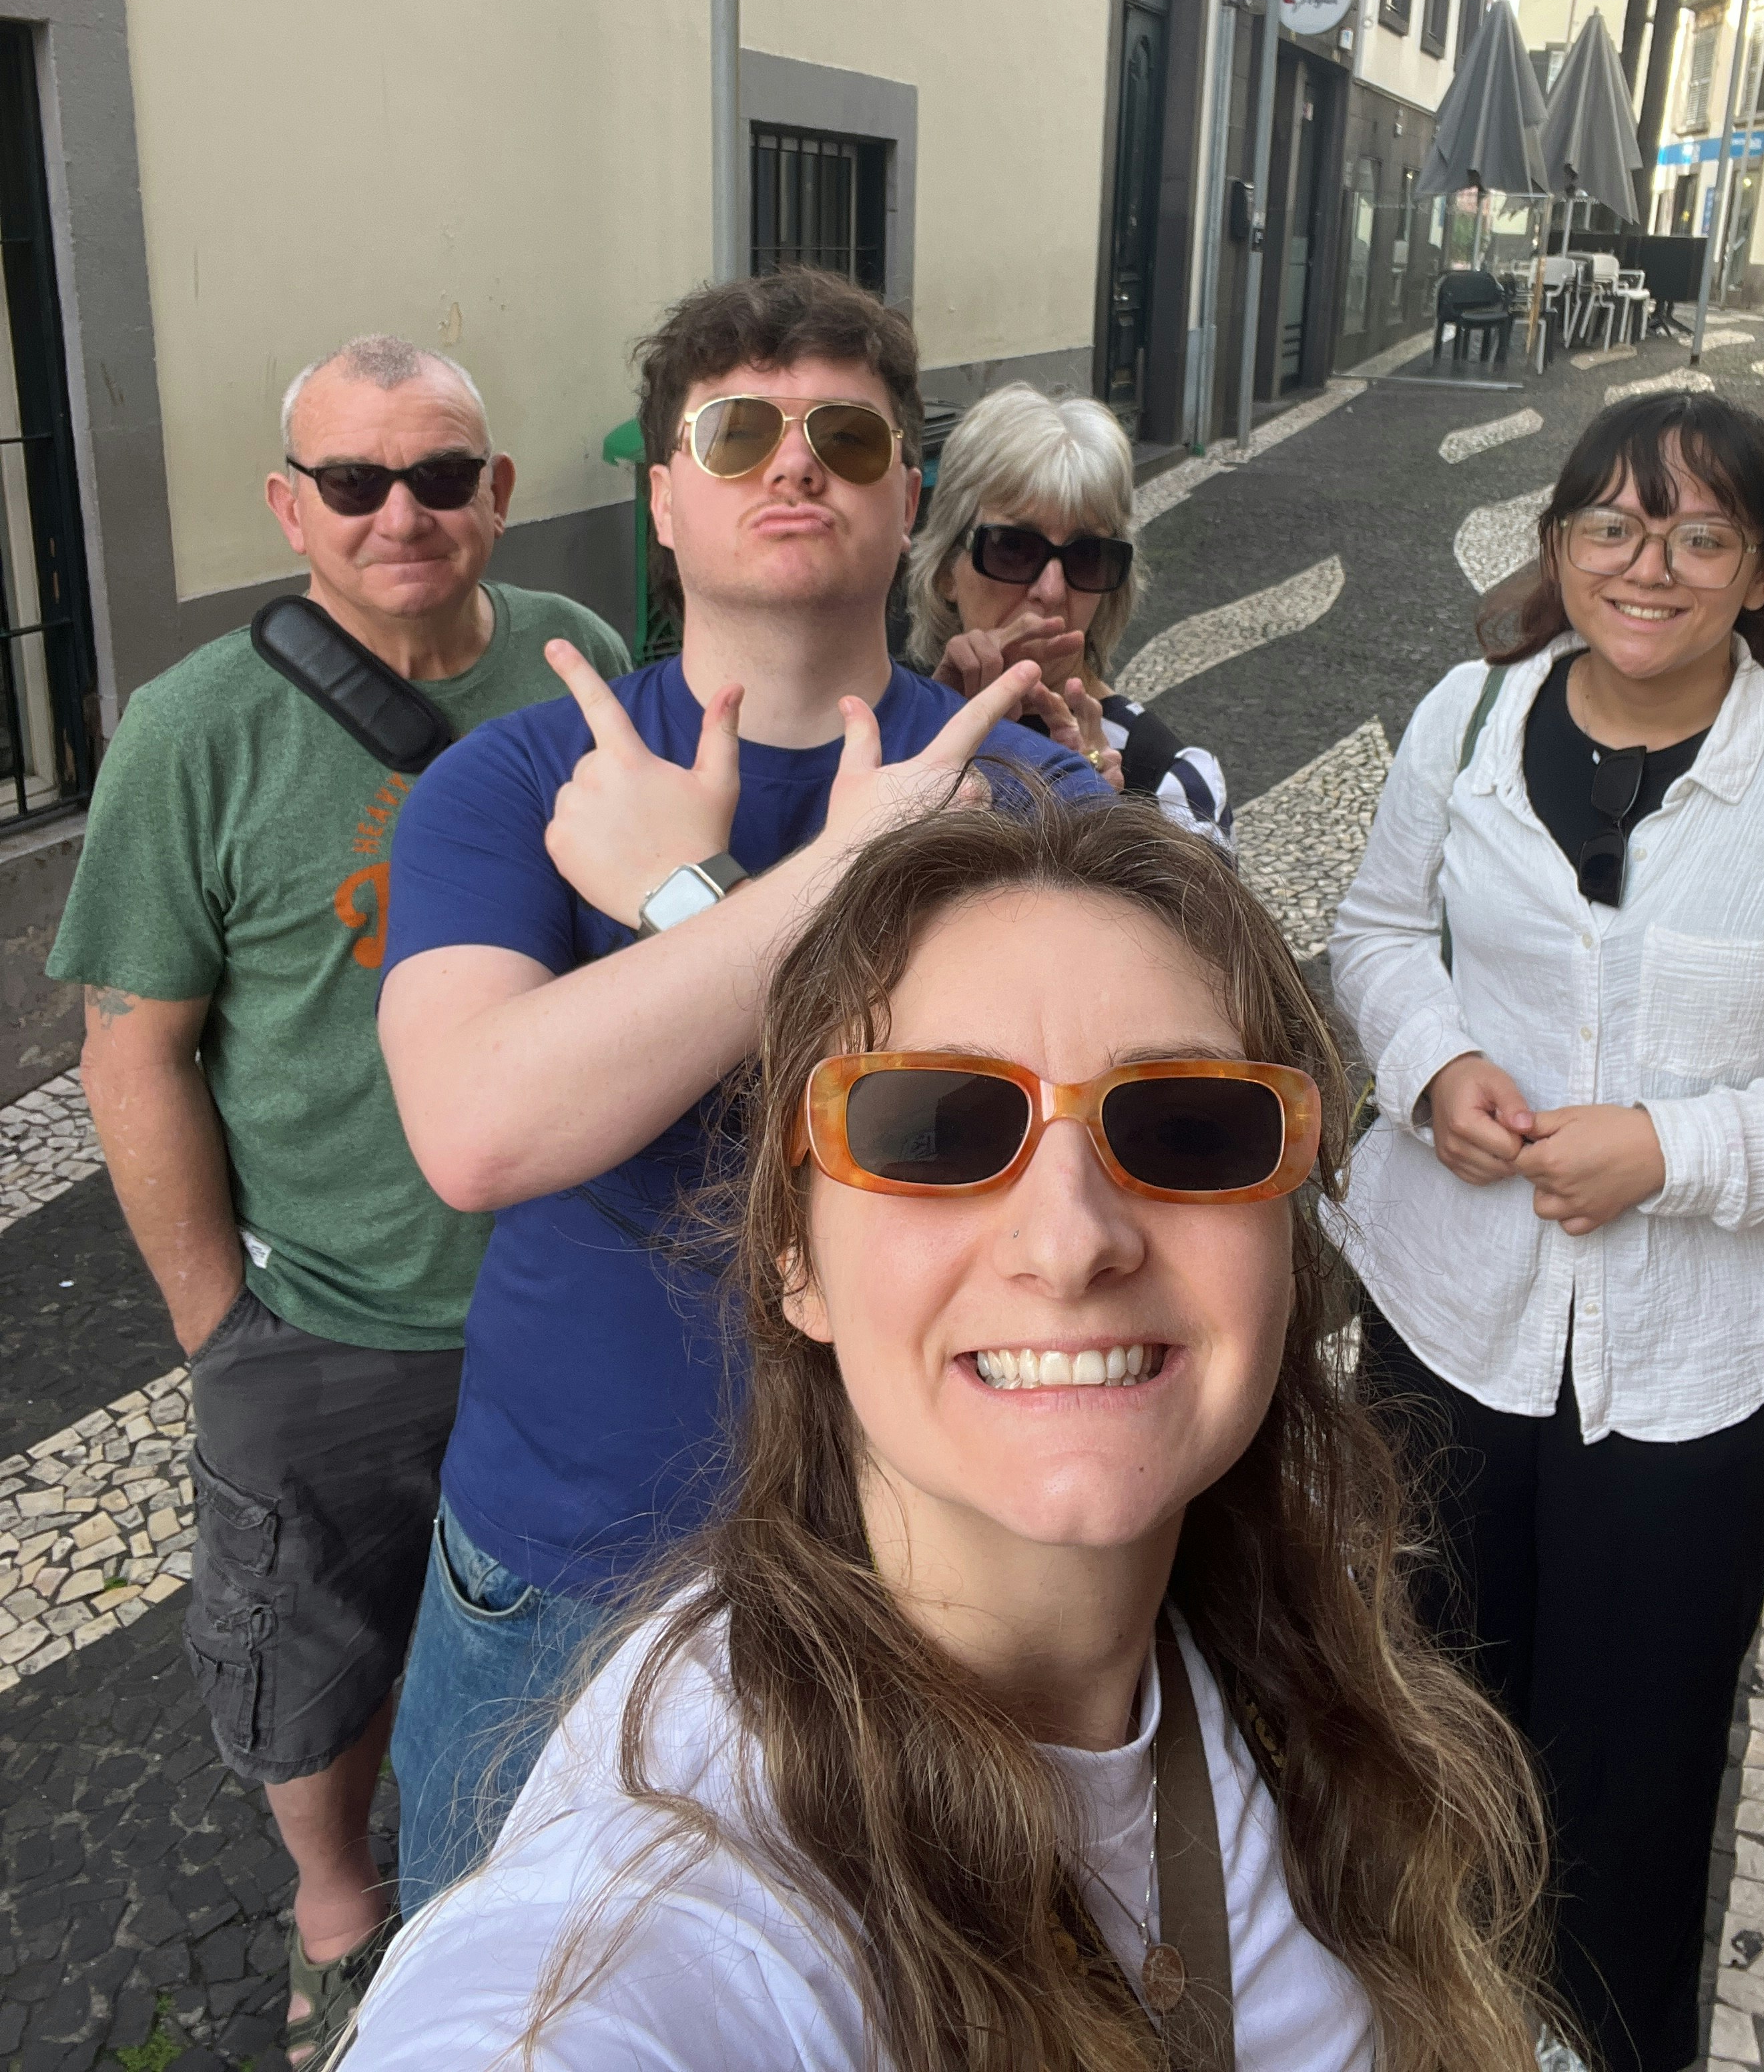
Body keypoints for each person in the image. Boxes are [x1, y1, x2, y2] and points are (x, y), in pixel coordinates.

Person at [343, 797, 1547, 2072]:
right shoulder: (664, 1898)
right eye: (935, 1128)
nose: (1071, 1237)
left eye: (1188, 1127)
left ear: (1285, 1248)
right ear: (791, 1255)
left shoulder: (1286, 1662)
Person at [376, 267, 1111, 1915]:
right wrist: (848, 873)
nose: (797, 466)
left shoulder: (1032, 786)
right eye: (738, 432)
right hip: (568, 1558)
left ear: (907, 492)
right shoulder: (515, 780)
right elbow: (481, 1128)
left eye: (848, 435)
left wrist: (686, 905)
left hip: (923, 1562)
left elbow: (1030, 1154)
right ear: (661, 494)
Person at [1330, 390, 1764, 2072]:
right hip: (1445, 1313)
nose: (1649, 566)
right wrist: (1433, 1062)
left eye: (1699, 535)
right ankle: (1414, 2014)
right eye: (1610, 525)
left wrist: (1671, 1152)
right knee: (1429, 1698)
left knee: (1637, 1750)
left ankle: (1596, 2042)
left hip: (1685, 1369)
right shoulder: (1462, 723)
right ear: (1558, 548)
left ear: (1761, 571)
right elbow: (1382, 929)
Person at [47, 335, 630, 2068]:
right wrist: (215, 1321)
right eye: (356, 482)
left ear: (499, 492)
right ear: (288, 508)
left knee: (570, 1625)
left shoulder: (573, 657)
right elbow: (131, 1054)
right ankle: (335, 1911)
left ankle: (537, 1891)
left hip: (564, 1284)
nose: (403, 513)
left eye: (443, 474)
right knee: (310, 1641)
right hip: (329, 1317)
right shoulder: (191, 732)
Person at [908, 380, 1234, 849]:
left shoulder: (1173, 786)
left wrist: (1101, 828)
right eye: (1013, 548)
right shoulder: (876, 738)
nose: (1051, 590)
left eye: (1087, 556)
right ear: (945, 571)